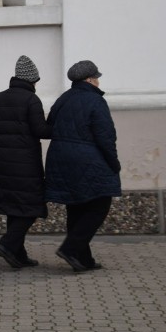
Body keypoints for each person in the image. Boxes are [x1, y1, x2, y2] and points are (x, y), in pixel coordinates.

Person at [45, 60, 121, 272]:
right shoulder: (95, 101)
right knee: (100, 204)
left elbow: (49, 127)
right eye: (96, 77)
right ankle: (70, 248)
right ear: (89, 79)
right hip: (86, 159)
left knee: (76, 206)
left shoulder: (63, 99)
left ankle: (83, 259)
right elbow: (106, 136)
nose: (98, 81)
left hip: (59, 158)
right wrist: (114, 163)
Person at [0, 55, 52, 268]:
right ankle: (7, 244)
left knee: (15, 208)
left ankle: (18, 254)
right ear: (32, 80)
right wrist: (57, 124)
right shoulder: (32, 100)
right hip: (25, 165)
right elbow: (41, 130)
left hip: (1, 164)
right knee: (31, 206)